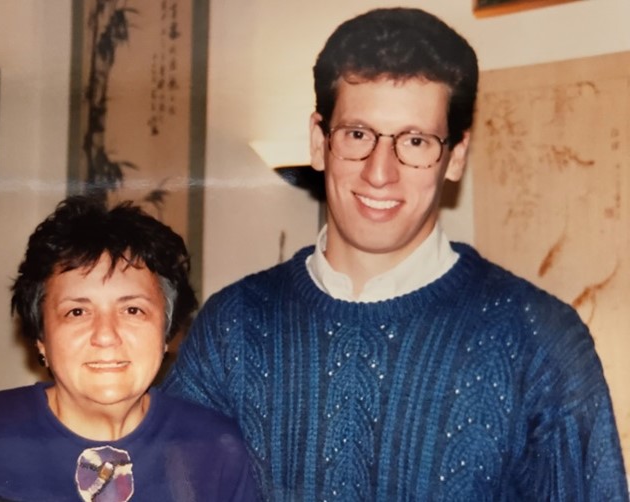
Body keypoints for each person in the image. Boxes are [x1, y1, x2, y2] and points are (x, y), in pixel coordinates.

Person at [162, 7, 629, 501]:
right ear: (319, 142)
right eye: (358, 135)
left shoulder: (541, 343)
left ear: (456, 156)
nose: (380, 173)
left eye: (415, 141)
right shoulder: (234, 325)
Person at [0, 196, 260, 502]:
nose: (106, 335)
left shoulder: (216, 451)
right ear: (41, 338)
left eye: (132, 310)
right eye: (77, 312)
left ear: (167, 332)